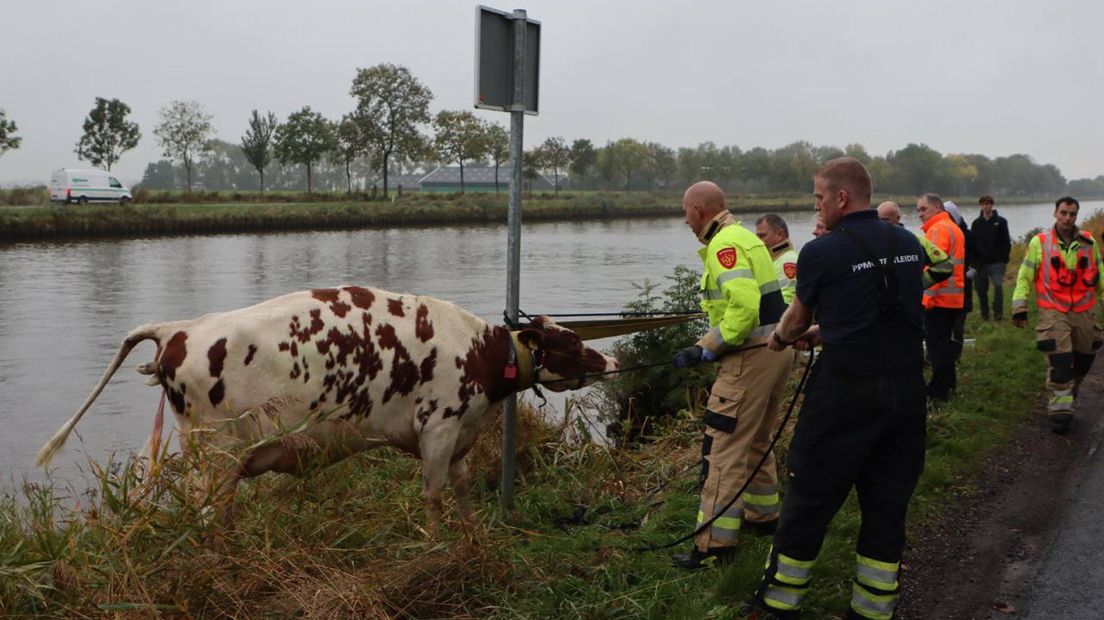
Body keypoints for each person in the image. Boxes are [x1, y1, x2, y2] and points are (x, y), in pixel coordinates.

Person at [745, 158, 927, 619]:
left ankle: (778, 602)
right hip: (905, 396)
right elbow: (882, 310)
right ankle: (873, 608)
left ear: (841, 197)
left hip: (845, 394)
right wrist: (832, 330)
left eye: (818, 197)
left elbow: (797, 318)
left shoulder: (820, 252)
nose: (817, 206)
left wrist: (781, 338)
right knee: (887, 502)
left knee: (809, 495)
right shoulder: (909, 243)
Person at [670, 181, 795, 569]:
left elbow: (743, 306)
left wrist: (708, 346)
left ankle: (713, 547)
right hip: (776, 352)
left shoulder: (724, 245)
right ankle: (763, 517)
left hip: (748, 358)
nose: (685, 219)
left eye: (687, 211)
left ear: (700, 210)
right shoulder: (747, 238)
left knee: (723, 450)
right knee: (756, 438)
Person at [1011, 196, 1104, 434]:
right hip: (1053, 311)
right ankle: (1060, 411)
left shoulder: (1088, 242)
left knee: (1084, 360)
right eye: (1063, 213)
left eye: (1072, 214)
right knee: (1061, 363)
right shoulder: (1039, 242)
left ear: (1076, 216)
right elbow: (1024, 275)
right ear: (1055, 213)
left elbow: (1100, 275)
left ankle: (1069, 393)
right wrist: (1019, 307)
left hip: (1084, 311)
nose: (1067, 218)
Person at [917, 193, 965, 401]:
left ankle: (939, 390)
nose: (920, 214)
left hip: (938, 299)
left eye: (923, 209)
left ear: (937, 207)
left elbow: (933, 268)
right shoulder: (953, 227)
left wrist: (925, 299)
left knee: (937, 348)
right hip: (953, 298)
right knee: (943, 344)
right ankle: (948, 383)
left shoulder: (938, 229)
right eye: (918, 210)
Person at [877, 200, 954, 289]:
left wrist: (918, 283)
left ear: (897, 218)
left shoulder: (916, 240)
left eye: (885, 220)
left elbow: (946, 265)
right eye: (877, 220)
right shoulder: (873, 241)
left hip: (910, 299)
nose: (880, 223)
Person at [944, 201, 977, 363]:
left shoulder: (968, 235)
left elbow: (979, 254)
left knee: (958, 326)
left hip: (964, 286)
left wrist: (974, 269)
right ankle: (942, 355)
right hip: (946, 287)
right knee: (945, 326)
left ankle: (956, 357)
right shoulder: (943, 233)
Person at [971, 195, 1012, 321]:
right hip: (981, 264)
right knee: (981, 290)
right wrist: (974, 262)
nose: (986, 206)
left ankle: (998, 315)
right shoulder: (976, 223)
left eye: (988, 204)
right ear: (981, 206)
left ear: (992, 205)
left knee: (998, 287)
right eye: (983, 204)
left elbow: (1006, 242)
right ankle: (985, 316)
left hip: (997, 263)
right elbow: (972, 244)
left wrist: (1004, 258)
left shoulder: (1001, 222)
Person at [756, 213, 799, 305]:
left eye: (762, 236)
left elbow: (786, 300)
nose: (758, 241)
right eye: (757, 237)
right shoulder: (775, 259)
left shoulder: (788, 260)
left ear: (780, 234)